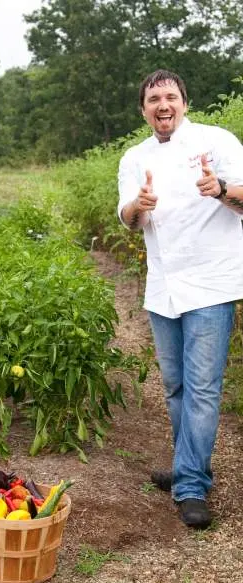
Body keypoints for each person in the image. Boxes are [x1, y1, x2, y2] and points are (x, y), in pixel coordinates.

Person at [117, 69, 243, 529]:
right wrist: (138, 207)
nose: (162, 105)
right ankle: (189, 463)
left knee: (203, 388)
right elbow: (127, 218)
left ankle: (190, 484)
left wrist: (223, 190)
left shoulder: (217, 142)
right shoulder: (134, 157)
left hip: (212, 282)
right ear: (144, 109)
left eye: (170, 96)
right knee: (175, 386)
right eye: (153, 99)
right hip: (163, 287)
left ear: (185, 103)